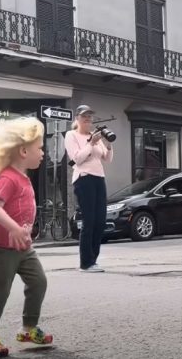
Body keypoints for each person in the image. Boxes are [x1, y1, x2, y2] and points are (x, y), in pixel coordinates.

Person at [0, 117, 53, 358]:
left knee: (39, 281)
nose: (43, 152)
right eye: (39, 147)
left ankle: (28, 329)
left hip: (23, 248)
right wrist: (13, 228)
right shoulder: (8, 177)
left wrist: (23, 232)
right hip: (1, 248)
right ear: (23, 151)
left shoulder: (23, 176)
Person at [65, 105, 113, 272]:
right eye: (84, 116)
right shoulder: (71, 135)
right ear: (77, 118)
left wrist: (107, 145)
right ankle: (86, 263)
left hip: (99, 178)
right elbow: (77, 159)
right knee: (89, 220)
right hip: (84, 178)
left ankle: (93, 259)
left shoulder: (96, 137)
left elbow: (107, 159)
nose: (88, 119)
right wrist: (90, 143)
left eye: (90, 116)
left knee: (100, 221)